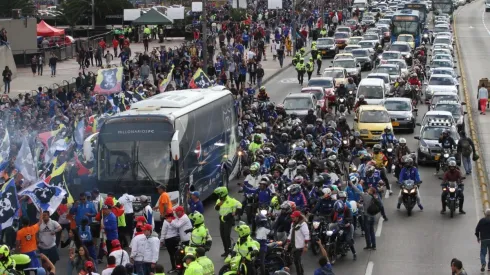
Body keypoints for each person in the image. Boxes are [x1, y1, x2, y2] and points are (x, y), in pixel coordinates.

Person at [214, 186, 242, 257]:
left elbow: (240, 205)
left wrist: (235, 213)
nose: (218, 195)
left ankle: (229, 251)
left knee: (227, 236)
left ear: (223, 193)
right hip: (221, 220)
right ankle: (226, 251)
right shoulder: (219, 200)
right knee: (222, 236)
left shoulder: (231, 200)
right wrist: (219, 204)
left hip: (228, 220)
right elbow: (216, 209)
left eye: (219, 194)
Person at [286, 211, 310, 275]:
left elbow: (306, 235)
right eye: (292, 217)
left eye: (293, 217)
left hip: (300, 246)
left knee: (297, 261)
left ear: (297, 217)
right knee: (297, 261)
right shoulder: (293, 224)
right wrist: (287, 244)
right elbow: (291, 233)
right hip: (294, 245)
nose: (292, 218)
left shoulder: (303, 224)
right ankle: (301, 272)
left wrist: (306, 246)